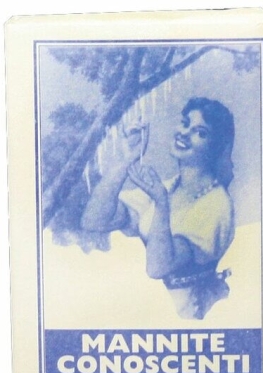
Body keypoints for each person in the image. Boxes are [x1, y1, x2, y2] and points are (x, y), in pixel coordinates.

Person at [81, 97, 235, 319]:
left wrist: (162, 203)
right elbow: (94, 220)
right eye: (185, 123)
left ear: (215, 148)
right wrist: (127, 159)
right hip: (149, 309)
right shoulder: (169, 186)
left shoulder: (216, 205)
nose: (185, 133)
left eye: (200, 133)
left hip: (190, 316)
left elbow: (157, 268)